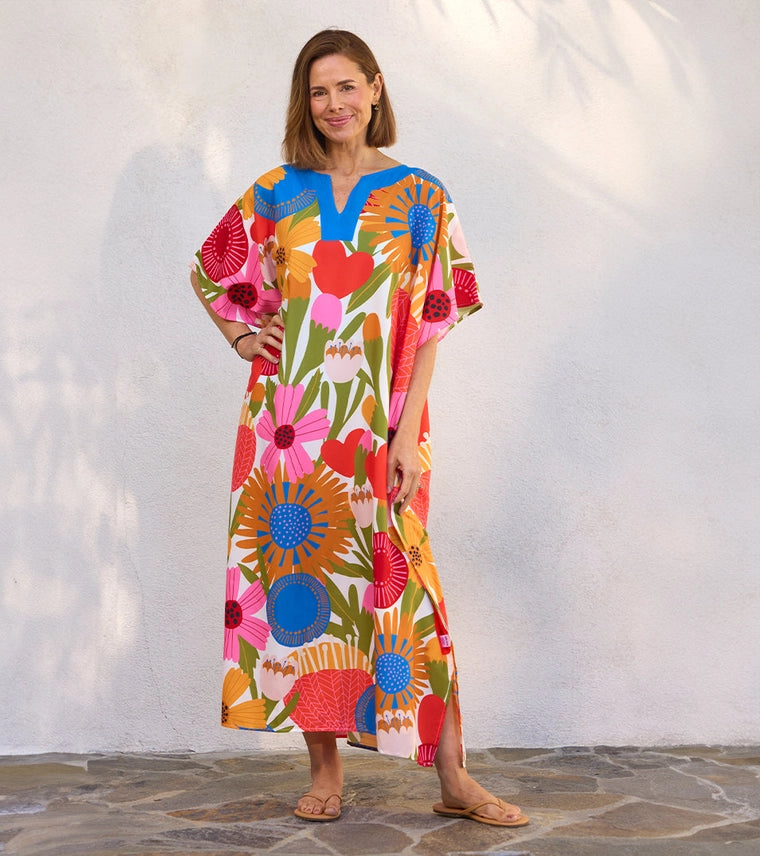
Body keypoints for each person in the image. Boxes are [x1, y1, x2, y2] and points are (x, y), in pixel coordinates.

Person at [190, 29, 528, 828]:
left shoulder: (421, 197)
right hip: (288, 427)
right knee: (304, 584)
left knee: (410, 591)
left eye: (347, 86)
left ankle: (453, 776)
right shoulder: (276, 192)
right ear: (303, 102)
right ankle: (325, 768)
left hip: (382, 425)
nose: (334, 104)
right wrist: (244, 338)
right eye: (318, 91)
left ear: (375, 89)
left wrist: (407, 434)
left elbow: (432, 324)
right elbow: (212, 269)